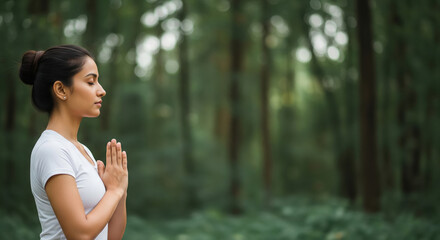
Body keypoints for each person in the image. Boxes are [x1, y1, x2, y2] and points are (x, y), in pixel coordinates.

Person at [19, 45, 128, 240]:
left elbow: (111, 236)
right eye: (91, 82)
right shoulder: (51, 150)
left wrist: (120, 192)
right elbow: (80, 234)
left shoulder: (81, 150)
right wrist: (114, 190)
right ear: (61, 89)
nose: (101, 91)